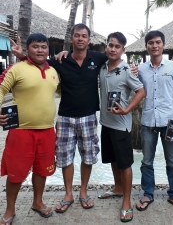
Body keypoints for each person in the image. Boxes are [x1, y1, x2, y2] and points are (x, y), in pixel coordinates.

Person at [11, 23, 138, 213]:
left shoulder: (98, 58)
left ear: (89, 40)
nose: (80, 39)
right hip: (65, 117)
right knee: (65, 157)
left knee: (88, 157)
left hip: (88, 117)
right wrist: (21, 56)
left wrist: (134, 68)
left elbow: (117, 60)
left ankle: (83, 192)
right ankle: (68, 193)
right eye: (77, 35)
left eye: (84, 36)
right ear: (72, 39)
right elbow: (38, 63)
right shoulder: (60, 60)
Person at [0, 33, 60, 224]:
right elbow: (1, 89)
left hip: (47, 131)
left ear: (48, 49)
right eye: (35, 46)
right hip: (21, 132)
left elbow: (61, 91)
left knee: (42, 170)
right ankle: (10, 210)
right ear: (27, 49)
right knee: (16, 173)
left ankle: (38, 202)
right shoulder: (17, 69)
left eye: (43, 46)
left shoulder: (53, 72)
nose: (40, 50)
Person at [136, 30, 173, 212]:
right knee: (146, 161)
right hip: (148, 122)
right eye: (151, 43)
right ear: (147, 46)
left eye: (158, 42)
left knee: (172, 162)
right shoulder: (141, 69)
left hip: (171, 123)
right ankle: (147, 194)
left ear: (163, 45)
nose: (155, 45)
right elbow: (133, 90)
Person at [97, 32, 145, 222]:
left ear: (123, 50)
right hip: (106, 123)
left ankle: (127, 200)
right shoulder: (102, 67)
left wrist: (127, 110)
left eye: (117, 46)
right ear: (106, 47)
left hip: (121, 126)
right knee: (113, 159)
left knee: (125, 163)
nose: (113, 49)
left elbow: (141, 91)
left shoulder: (126, 70)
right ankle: (117, 188)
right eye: (110, 45)